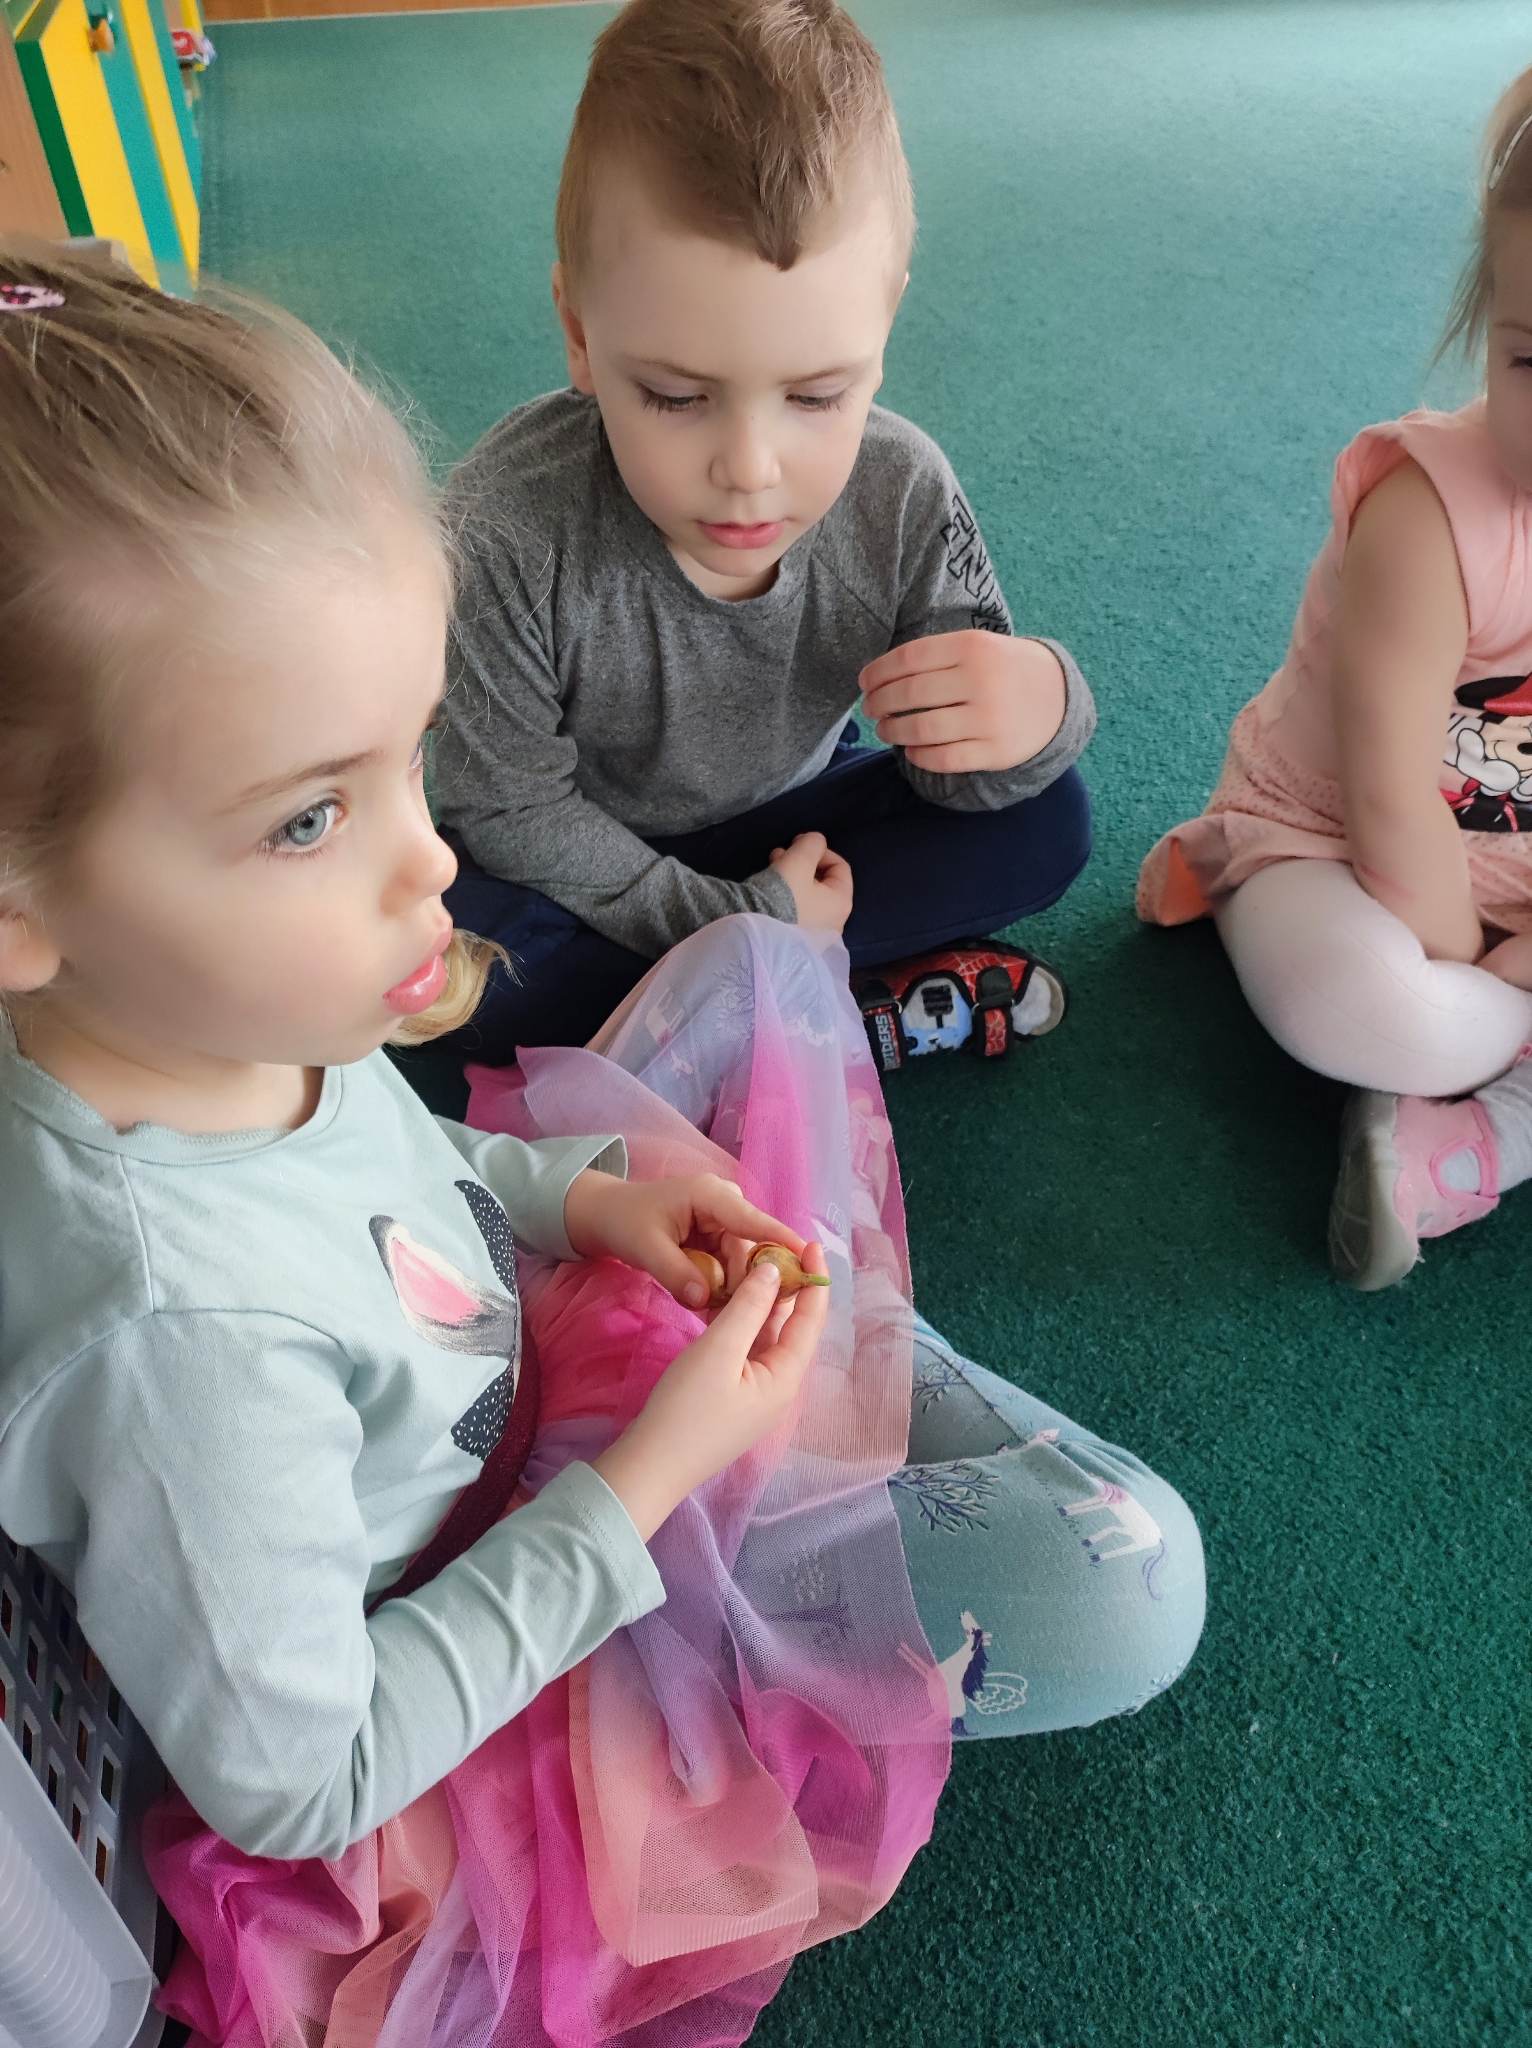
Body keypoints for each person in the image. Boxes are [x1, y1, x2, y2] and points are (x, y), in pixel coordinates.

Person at [0, 247, 1201, 2048]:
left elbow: (378, 1177)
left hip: (528, 1409)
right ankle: (843, 1392)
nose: (429, 860)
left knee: (749, 993)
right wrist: (652, 1479)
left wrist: (580, 1194)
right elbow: (306, 1781)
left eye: (408, 757)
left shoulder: (205, 1019)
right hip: (511, 1681)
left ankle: (834, 1378)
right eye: (311, 816)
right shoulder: (177, 1347)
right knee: (1126, 1581)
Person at [432, 0, 1096, 1074]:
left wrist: (1040, 705)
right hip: (582, 866)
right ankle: (822, 1005)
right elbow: (506, 804)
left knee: (1046, 816)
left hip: (797, 835)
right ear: (579, 334)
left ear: (882, 331)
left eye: (816, 395)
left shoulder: (902, 491)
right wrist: (737, 921)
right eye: (674, 396)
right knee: (452, 955)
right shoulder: (505, 527)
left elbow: (956, 777)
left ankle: (721, 1017)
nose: (749, 467)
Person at [1139, 65, 1532, 1292]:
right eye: (1531, 359)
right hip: (1333, 846)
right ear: (1487, 325)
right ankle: (1460, 1064)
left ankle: (1455, 1136)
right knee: (1364, 1005)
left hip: (1506, 869)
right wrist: (1476, 964)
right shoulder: (1431, 515)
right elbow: (1384, 798)